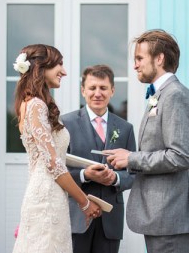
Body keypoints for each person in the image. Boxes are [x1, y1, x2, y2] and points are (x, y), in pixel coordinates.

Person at [104, 30, 189, 253]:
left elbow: (179, 156)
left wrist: (131, 158)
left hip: (170, 214)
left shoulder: (174, 95)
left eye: (139, 58)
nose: (135, 65)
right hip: (162, 216)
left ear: (159, 58)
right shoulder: (161, 94)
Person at [12, 44, 102, 253]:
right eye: (59, 64)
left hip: (48, 193)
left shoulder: (34, 103)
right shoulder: (36, 105)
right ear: (40, 67)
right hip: (47, 199)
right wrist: (85, 202)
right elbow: (54, 164)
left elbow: (51, 157)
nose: (64, 71)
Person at [61, 65, 136, 253]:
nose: (97, 93)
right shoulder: (66, 123)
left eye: (103, 88)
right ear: (83, 91)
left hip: (110, 219)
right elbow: (57, 170)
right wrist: (85, 175)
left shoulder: (125, 128)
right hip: (77, 214)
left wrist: (116, 178)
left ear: (112, 90)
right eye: (92, 88)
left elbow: (133, 173)